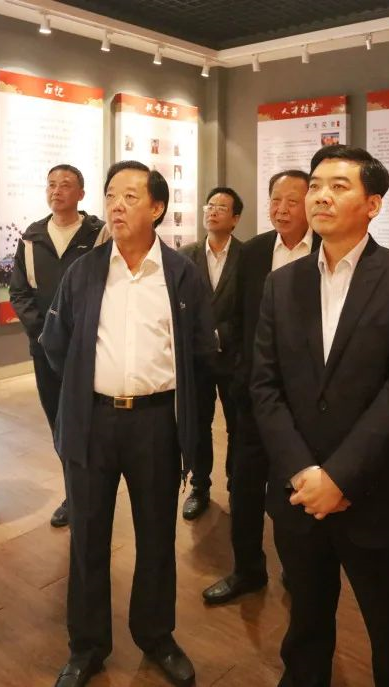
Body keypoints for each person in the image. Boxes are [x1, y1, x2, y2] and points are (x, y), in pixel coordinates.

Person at [251, 145, 389, 686]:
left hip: (377, 492)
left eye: (339, 186)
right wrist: (303, 471)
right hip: (299, 494)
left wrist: (339, 477)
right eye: (315, 185)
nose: (320, 196)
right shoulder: (281, 284)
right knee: (305, 625)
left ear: (373, 204)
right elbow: (264, 386)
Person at [41, 160, 216, 687]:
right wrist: (85, 388)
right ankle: (87, 646)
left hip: (156, 423)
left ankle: (157, 637)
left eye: (130, 196)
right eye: (111, 195)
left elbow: (201, 352)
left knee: (157, 536)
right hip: (93, 421)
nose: (116, 205)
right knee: (87, 537)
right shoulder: (85, 271)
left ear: (157, 208)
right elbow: (57, 345)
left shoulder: (181, 274)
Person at [200, 169, 320, 605]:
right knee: (245, 485)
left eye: (292, 201)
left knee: (297, 488)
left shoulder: (326, 250)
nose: (282, 209)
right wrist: (240, 374)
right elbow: (236, 318)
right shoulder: (252, 252)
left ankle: (298, 568)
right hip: (255, 393)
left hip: (309, 399)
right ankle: (247, 569)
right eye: (275, 200)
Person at [9, 164, 105, 528]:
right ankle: (73, 492)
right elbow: (19, 292)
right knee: (59, 423)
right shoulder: (31, 238)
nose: (57, 191)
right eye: (51, 184)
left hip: (91, 349)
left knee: (92, 421)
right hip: (45, 350)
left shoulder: (99, 234)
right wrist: (43, 334)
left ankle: (94, 489)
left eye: (66, 185)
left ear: (81, 193)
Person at [177, 186, 244, 520]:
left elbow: (251, 308)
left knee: (237, 426)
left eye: (221, 207)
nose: (213, 211)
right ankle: (199, 486)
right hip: (197, 360)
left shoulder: (248, 256)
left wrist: (220, 334)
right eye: (210, 205)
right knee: (199, 425)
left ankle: (237, 485)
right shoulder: (185, 256)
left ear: (235, 219)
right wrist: (200, 335)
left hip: (234, 359)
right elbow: (179, 305)